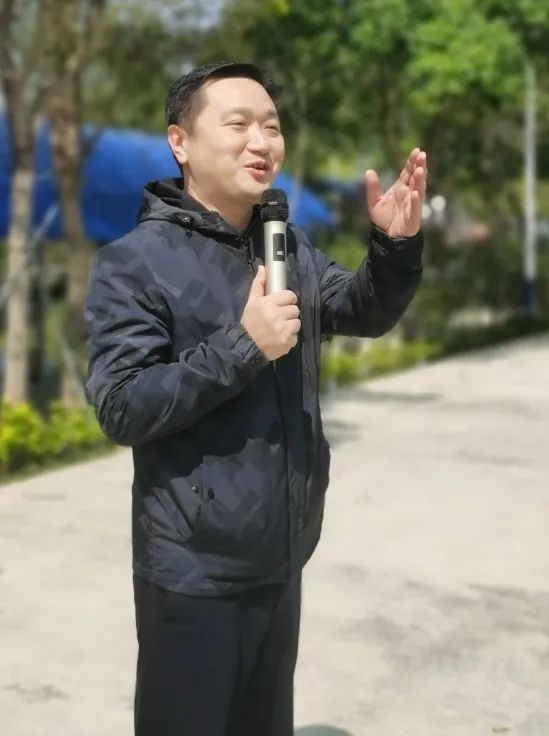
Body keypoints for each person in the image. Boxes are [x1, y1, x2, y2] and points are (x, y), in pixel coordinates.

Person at [84, 61, 427, 736]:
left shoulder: (287, 246)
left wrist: (393, 247)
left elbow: (361, 309)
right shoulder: (133, 263)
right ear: (180, 142)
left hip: (280, 557)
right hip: (193, 573)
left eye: (271, 126)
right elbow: (122, 406)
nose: (260, 142)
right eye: (238, 124)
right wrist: (243, 346)